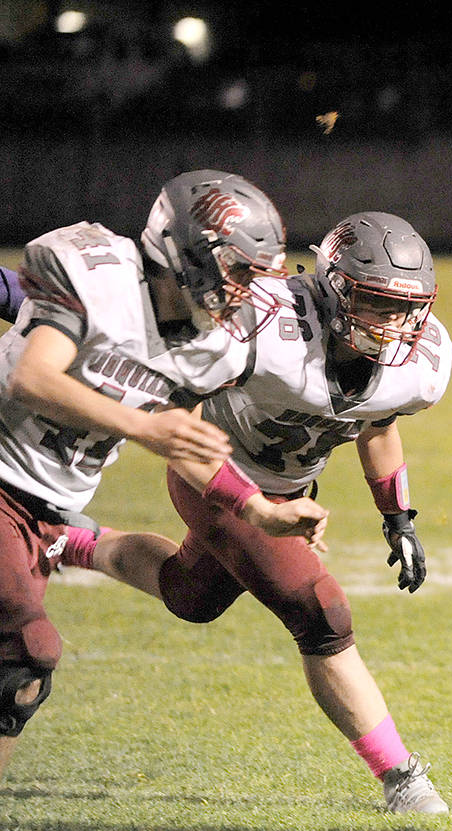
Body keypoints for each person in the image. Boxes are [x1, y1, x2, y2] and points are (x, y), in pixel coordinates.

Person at [58, 211, 452, 815]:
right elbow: (176, 400)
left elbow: (377, 424)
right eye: (379, 305)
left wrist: (398, 516)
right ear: (337, 290)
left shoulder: (420, 363)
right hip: (216, 476)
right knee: (321, 612)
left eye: (407, 308)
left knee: (191, 596)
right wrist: (236, 493)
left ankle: (71, 542)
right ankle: (402, 777)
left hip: (292, 493)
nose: (396, 325)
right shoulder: (265, 325)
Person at [0, 169, 326, 781]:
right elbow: (34, 379)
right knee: (26, 653)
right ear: (187, 253)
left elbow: (185, 440)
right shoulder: (99, 278)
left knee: (14, 686)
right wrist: (141, 427)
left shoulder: (218, 346)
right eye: (240, 271)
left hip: (49, 507)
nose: (248, 293)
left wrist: (261, 510)